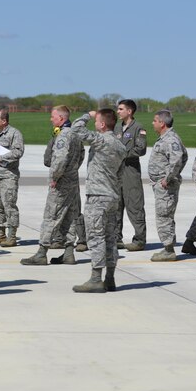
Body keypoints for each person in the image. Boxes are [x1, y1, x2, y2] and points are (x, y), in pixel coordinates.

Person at [69, 109, 127, 293]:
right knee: (110, 239)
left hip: (97, 197)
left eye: (97, 122)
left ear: (102, 124)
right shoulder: (120, 146)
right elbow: (120, 175)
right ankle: (110, 278)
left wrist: (87, 115)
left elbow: (76, 130)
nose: (95, 124)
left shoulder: (102, 140)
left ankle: (96, 278)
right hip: (112, 196)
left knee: (95, 237)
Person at [21, 105, 84, 266]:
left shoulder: (64, 135)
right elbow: (81, 154)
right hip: (72, 181)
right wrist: (72, 170)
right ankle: (69, 252)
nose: (51, 119)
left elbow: (60, 159)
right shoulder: (76, 134)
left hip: (61, 182)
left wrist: (56, 176)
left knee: (51, 216)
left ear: (61, 119)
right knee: (70, 216)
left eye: (53, 116)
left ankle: (42, 253)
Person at [147, 109, 188, 262]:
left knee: (164, 216)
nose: (153, 123)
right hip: (161, 185)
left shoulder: (170, 139)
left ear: (162, 123)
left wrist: (168, 178)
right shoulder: (166, 138)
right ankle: (168, 246)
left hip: (166, 186)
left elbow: (178, 159)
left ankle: (168, 250)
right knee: (165, 215)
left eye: (155, 120)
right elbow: (184, 156)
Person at [0, 107, 24, 247]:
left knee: (9, 205)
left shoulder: (15, 134)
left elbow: (18, 152)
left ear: (4, 121)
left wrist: (0, 158)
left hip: (8, 176)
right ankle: (0, 234)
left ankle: (12, 236)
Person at [115, 99, 149, 251]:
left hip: (130, 172)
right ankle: (116, 238)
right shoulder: (117, 127)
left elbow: (141, 149)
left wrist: (123, 153)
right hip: (117, 172)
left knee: (135, 205)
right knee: (116, 206)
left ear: (129, 111)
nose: (118, 111)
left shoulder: (138, 128)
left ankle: (139, 240)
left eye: (121, 109)